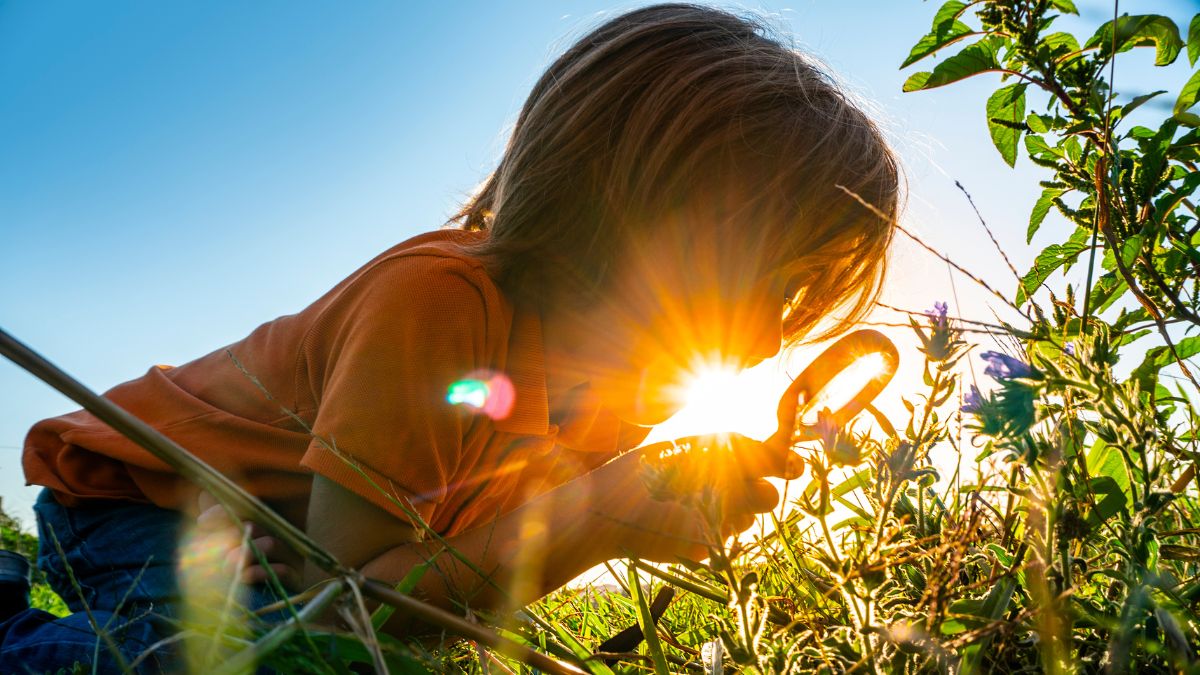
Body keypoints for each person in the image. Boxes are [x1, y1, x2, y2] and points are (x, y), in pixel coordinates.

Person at [1, 3, 899, 671]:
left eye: (804, 294)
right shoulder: (438, 306)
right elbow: (349, 606)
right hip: (143, 496)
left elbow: (461, 580)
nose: (779, 330)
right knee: (272, 662)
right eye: (772, 278)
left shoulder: (629, 393)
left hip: (305, 543)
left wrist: (618, 516)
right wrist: (595, 517)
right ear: (633, 215)